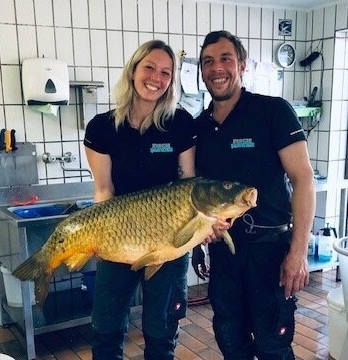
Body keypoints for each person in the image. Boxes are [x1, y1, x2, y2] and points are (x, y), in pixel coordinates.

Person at [192, 30, 316, 360]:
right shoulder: (199, 127)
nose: (217, 68)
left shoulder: (272, 112)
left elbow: (303, 180)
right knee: (230, 340)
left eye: (225, 59)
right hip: (225, 255)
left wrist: (298, 252)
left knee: (272, 346)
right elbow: (195, 195)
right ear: (201, 70)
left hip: (270, 252)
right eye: (208, 62)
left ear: (242, 65)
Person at [83, 39, 196, 360]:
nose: (156, 78)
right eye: (149, 67)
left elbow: (189, 182)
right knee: (106, 330)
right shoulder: (102, 128)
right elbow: (104, 191)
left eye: (166, 72)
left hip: (170, 243)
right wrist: (96, 235)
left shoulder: (180, 124)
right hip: (120, 240)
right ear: (133, 71)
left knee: (162, 332)